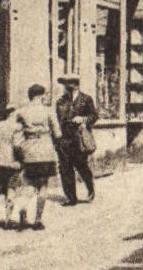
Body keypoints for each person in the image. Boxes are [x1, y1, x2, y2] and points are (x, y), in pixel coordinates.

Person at [17, 82, 62, 228]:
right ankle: (37, 220)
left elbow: (16, 133)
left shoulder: (21, 112)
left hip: (29, 151)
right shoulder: (48, 111)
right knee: (43, 186)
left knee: (28, 184)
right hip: (45, 151)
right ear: (41, 96)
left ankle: (23, 209)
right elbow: (58, 133)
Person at [54, 74, 98, 205]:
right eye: (65, 84)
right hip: (64, 139)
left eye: (69, 83)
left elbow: (94, 116)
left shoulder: (86, 99)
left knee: (82, 166)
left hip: (79, 138)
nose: (66, 86)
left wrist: (83, 119)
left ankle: (90, 189)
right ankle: (71, 198)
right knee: (65, 168)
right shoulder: (61, 101)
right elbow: (57, 119)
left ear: (76, 84)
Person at [0, 101, 24, 229]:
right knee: (12, 188)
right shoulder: (18, 127)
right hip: (13, 161)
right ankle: (9, 218)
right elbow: (19, 146)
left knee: (1, 188)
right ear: (14, 113)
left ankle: (1, 216)